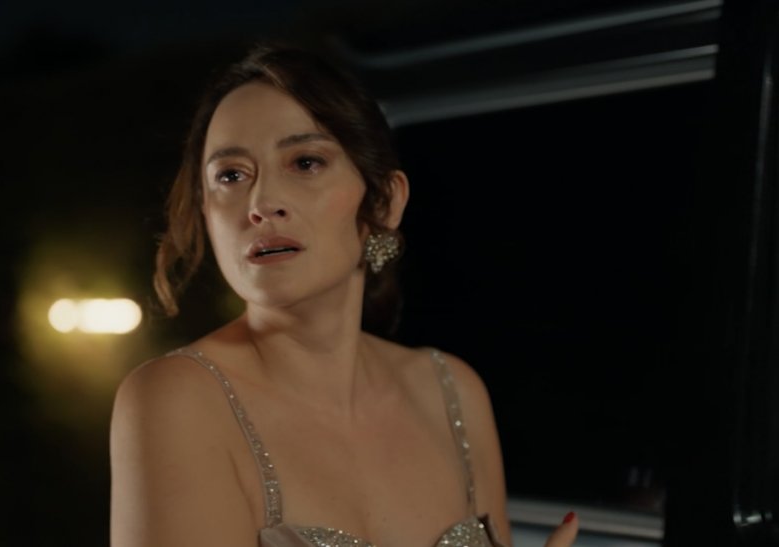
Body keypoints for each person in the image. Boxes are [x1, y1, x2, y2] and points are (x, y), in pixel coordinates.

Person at [109, 43, 580, 547]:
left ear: (385, 200)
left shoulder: (453, 393)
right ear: (206, 211)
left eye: (305, 162)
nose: (261, 203)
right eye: (231, 175)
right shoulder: (180, 400)